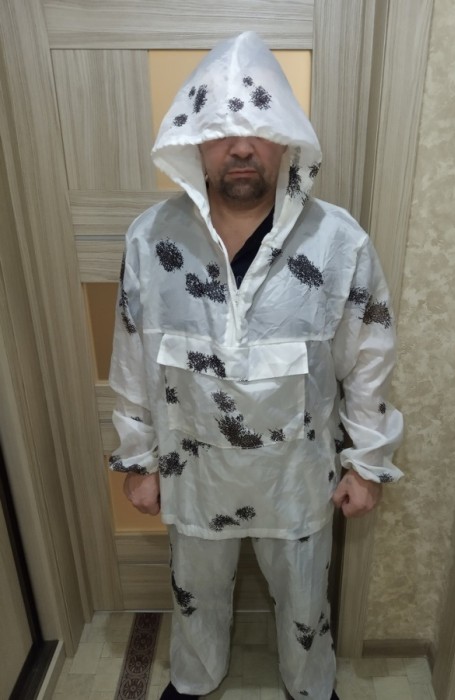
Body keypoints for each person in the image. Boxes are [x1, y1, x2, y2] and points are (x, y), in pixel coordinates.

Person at [109, 31, 403, 700]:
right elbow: (131, 356)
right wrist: (139, 460)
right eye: (222, 132)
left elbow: (369, 356)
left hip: (298, 473)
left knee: (305, 598)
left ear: (286, 141)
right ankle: (194, 678)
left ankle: (312, 686)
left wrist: (367, 463)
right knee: (195, 590)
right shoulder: (152, 239)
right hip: (193, 467)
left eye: (259, 131)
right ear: (195, 142)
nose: (241, 147)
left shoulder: (339, 242)